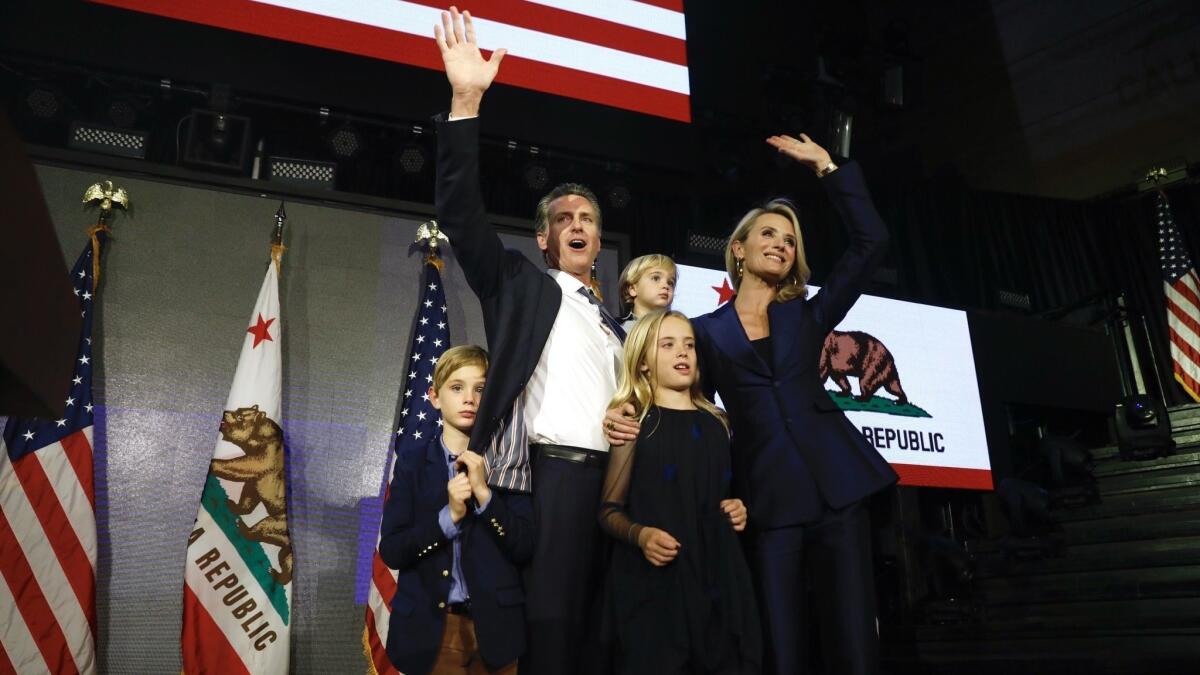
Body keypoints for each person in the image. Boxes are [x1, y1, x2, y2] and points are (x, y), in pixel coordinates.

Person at [606, 134, 897, 674]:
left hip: (838, 493)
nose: (781, 244)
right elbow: (687, 401)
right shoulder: (704, 332)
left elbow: (872, 243)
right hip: (768, 505)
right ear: (738, 249)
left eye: (789, 240)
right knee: (781, 650)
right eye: (768, 234)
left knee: (856, 647)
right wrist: (626, 407)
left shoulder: (807, 314)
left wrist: (829, 168)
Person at [432, 8, 626, 674]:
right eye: (562, 218)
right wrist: (465, 102)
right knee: (552, 644)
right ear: (545, 239)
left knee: (606, 642)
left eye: (588, 219)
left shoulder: (619, 324)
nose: (576, 224)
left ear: (599, 243)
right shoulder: (520, 283)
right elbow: (460, 213)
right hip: (553, 481)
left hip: (617, 490)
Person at [598, 310, 761, 675]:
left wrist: (738, 507)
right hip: (657, 587)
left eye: (688, 345)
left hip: (718, 578)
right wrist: (641, 535)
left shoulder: (719, 423)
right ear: (642, 363)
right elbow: (608, 511)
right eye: (668, 345)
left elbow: (730, 493)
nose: (682, 353)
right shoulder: (634, 421)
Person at [379, 345, 535, 675]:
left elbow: (524, 545)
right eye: (457, 387)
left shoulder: (510, 462)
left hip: (497, 632)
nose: (470, 399)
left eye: (481, 389)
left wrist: (484, 495)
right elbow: (392, 550)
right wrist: (447, 518)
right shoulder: (412, 463)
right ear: (435, 397)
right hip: (432, 632)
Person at [616, 254, 678, 332]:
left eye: (670, 283)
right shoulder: (617, 330)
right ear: (633, 289)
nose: (666, 285)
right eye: (656, 278)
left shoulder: (677, 330)